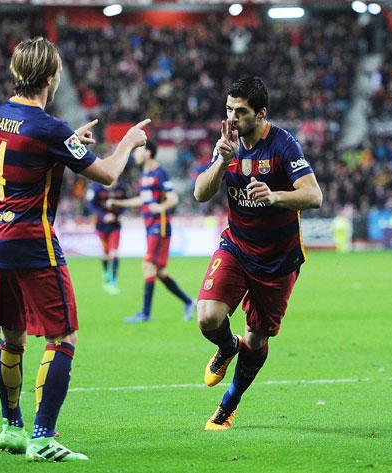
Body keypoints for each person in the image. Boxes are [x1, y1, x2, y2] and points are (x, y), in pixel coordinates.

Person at [0, 37, 149, 462]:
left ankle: (11, 427)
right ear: (53, 77)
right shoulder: (49, 128)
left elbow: (31, 152)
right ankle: (43, 436)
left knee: (12, 337)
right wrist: (128, 141)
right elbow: (109, 173)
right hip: (31, 240)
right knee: (63, 336)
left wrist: (67, 144)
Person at [193, 76, 322, 430]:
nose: (233, 118)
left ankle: (228, 405)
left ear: (261, 113)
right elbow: (200, 194)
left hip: (277, 261)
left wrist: (276, 196)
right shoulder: (227, 143)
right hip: (236, 246)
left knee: (258, 337)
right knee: (206, 318)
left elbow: (314, 196)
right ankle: (225, 347)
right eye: (229, 110)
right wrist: (221, 161)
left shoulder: (282, 145)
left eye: (241, 111)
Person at [108, 141, 196, 323]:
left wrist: (160, 207)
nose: (135, 154)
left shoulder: (159, 172)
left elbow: (173, 198)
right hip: (150, 226)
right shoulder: (144, 175)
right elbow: (143, 200)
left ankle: (145, 314)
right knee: (160, 272)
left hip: (160, 225)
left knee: (148, 265)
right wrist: (119, 204)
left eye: (138, 150)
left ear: (148, 153)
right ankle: (188, 302)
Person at [87, 179, 127, 294]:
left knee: (114, 253)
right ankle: (105, 272)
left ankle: (113, 282)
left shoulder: (121, 188)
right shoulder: (96, 188)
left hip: (115, 226)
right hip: (101, 226)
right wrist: (104, 215)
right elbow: (90, 205)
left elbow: (126, 203)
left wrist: (122, 215)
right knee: (104, 254)